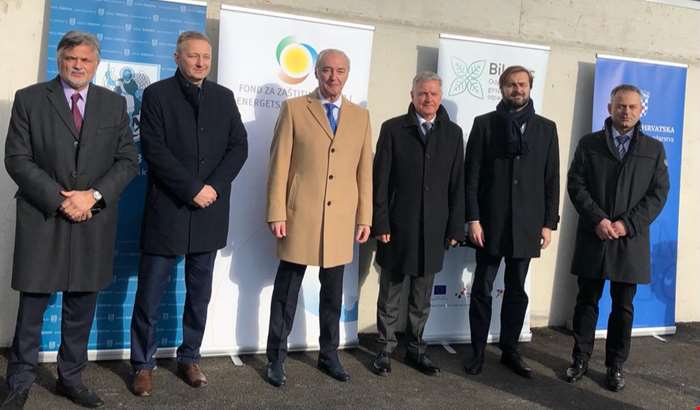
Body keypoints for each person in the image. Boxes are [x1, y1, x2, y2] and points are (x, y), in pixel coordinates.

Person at [2, 31, 138, 409]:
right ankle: (19, 381)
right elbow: (17, 158)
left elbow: (128, 161)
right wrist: (60, 199)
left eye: (85, 60)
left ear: (96, 64)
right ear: (59, 60)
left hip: (92, 218)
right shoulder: (29, 99)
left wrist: (92, 197)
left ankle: (71, 379)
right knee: (33, 306)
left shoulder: (113, 104)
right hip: (43, 215)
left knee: (81, 306)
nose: (78, 65)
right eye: (71, 58)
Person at [129, 31, 248, 396]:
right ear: (177, 57)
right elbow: (154, 149)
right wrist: (191, 188)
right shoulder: (157, 94)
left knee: (199, 294)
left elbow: (238, 147)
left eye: (206, 57)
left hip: (210, 210)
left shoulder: (223, 97)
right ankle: (143, 365)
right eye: (193, 56)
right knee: (150, 294)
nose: (200, 62)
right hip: (169, 209)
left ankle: (190, 357)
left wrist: (212, 187)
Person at [264, 49, 372, 387]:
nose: (333, 77)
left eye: (340, 70)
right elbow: (279, 164)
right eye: (326, 70)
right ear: (316, 72)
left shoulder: (360, 117)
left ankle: (329, 355)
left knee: (333, 294)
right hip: (300, 216)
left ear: (347, 74)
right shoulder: (294, 109)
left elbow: (364, 172)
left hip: (340, 219)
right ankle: (275, 358)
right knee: (286, 291)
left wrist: (365, 217)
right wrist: (276, 211)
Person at [565, 84, 669, 392]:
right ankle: (580, 359)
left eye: (632, 107)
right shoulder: (589, 144)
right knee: (587, 301)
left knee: (623, 307)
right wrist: (598, 219)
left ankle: (615, 365)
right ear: (609, 108)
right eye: (620, 106)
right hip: (594, 235)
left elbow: (658, 194)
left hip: (629, 240)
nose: (626, 112)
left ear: (640, 110)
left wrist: (627, 224)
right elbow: (576, 184)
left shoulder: (653, 149)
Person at [463, 65, 560, 378]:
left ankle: (510, 350)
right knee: (483, 288)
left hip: (527, 225)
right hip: (489, 224)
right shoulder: (484, 125)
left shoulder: (546, 129)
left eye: (522, 84)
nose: (517, 89)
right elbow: (471, 176)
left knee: (517, 289)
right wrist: (473, 218)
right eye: (510, 85)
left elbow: (551, 179)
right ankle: (477, 350)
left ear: (530, 87)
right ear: (501, 88)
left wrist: (548, 223)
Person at [371, 71, 464, 377]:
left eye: (433, 94)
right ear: (412, 95)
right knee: (391, 293)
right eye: (422, 93)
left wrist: (455, 227)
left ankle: (416, 349)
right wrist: (380, 222)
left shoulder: (453, 134)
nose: (428, 99)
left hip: (434, 229)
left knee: (421, 298)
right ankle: (385, 349)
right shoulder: (393, 129)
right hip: (397, 226)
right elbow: (380, 181)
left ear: (440, 97)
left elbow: (457, 184)